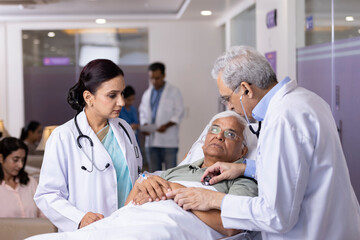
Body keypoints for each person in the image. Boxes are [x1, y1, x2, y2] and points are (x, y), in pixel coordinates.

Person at [167, 46, 360, 239]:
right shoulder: (306, 99)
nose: (230, 107)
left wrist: (215, 199)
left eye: (228, 98)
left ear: (246, 89)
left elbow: (276, 216)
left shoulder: (283, 120)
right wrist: (246, 169)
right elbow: (300, 170)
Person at [26, 111, 258, 240]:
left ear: (243, 151)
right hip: (125, 223)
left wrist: (177, 192)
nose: (218, 136)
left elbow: (232, 227)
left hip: (163, 229)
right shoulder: (175, 171)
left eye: (230, 134)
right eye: (214, 130)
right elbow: (129, 208)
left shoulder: (241, 180)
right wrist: (140, 187)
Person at [34, 59, 143, 232]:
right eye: (112, 95)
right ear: (88, 97)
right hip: (89, 231)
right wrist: (79, 218)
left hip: (127, 228)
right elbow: (47, 195)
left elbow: (135, 176)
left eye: (122, 94)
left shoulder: (125, 129)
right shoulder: (63, 136)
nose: (121, 102)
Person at [139, 62, 184, 172]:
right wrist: (145, 126)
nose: (154, 81)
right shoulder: (147, 93)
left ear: (164, 76)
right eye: (152, 78)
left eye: (157, 78)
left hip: (168, 142)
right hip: (151, 142)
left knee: (171, 174)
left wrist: (166, 126)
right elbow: (142, 112)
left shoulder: (174, 92)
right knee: (154, 175)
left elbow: (178, 113)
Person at [0, 137, 44, 218]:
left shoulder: (31, 182)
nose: (20, 165)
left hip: (35, 230)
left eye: (23, 160)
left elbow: (42, 214)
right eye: (15, 160)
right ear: (1, 158)